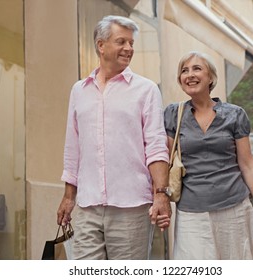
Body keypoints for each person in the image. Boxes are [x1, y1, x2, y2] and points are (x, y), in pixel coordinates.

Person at [56, 15, 171, 260]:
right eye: (121, 42)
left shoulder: (146, 89)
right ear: (101, 45)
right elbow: (73, 147)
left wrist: (161, 194)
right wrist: (68, 197)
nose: (129, 48)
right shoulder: (79, 90)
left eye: (131, 43)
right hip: (88, 206)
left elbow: (156, 145)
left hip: (132, 205)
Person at [158, 51, 253, 260]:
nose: (189, 74)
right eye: (184, 71)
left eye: (197, 69)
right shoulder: (173, 114)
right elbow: (163, 160)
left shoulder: (234, 114)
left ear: (211, 78)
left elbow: (248, 165)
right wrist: (160, 197)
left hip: (235, 210)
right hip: (192, 214)